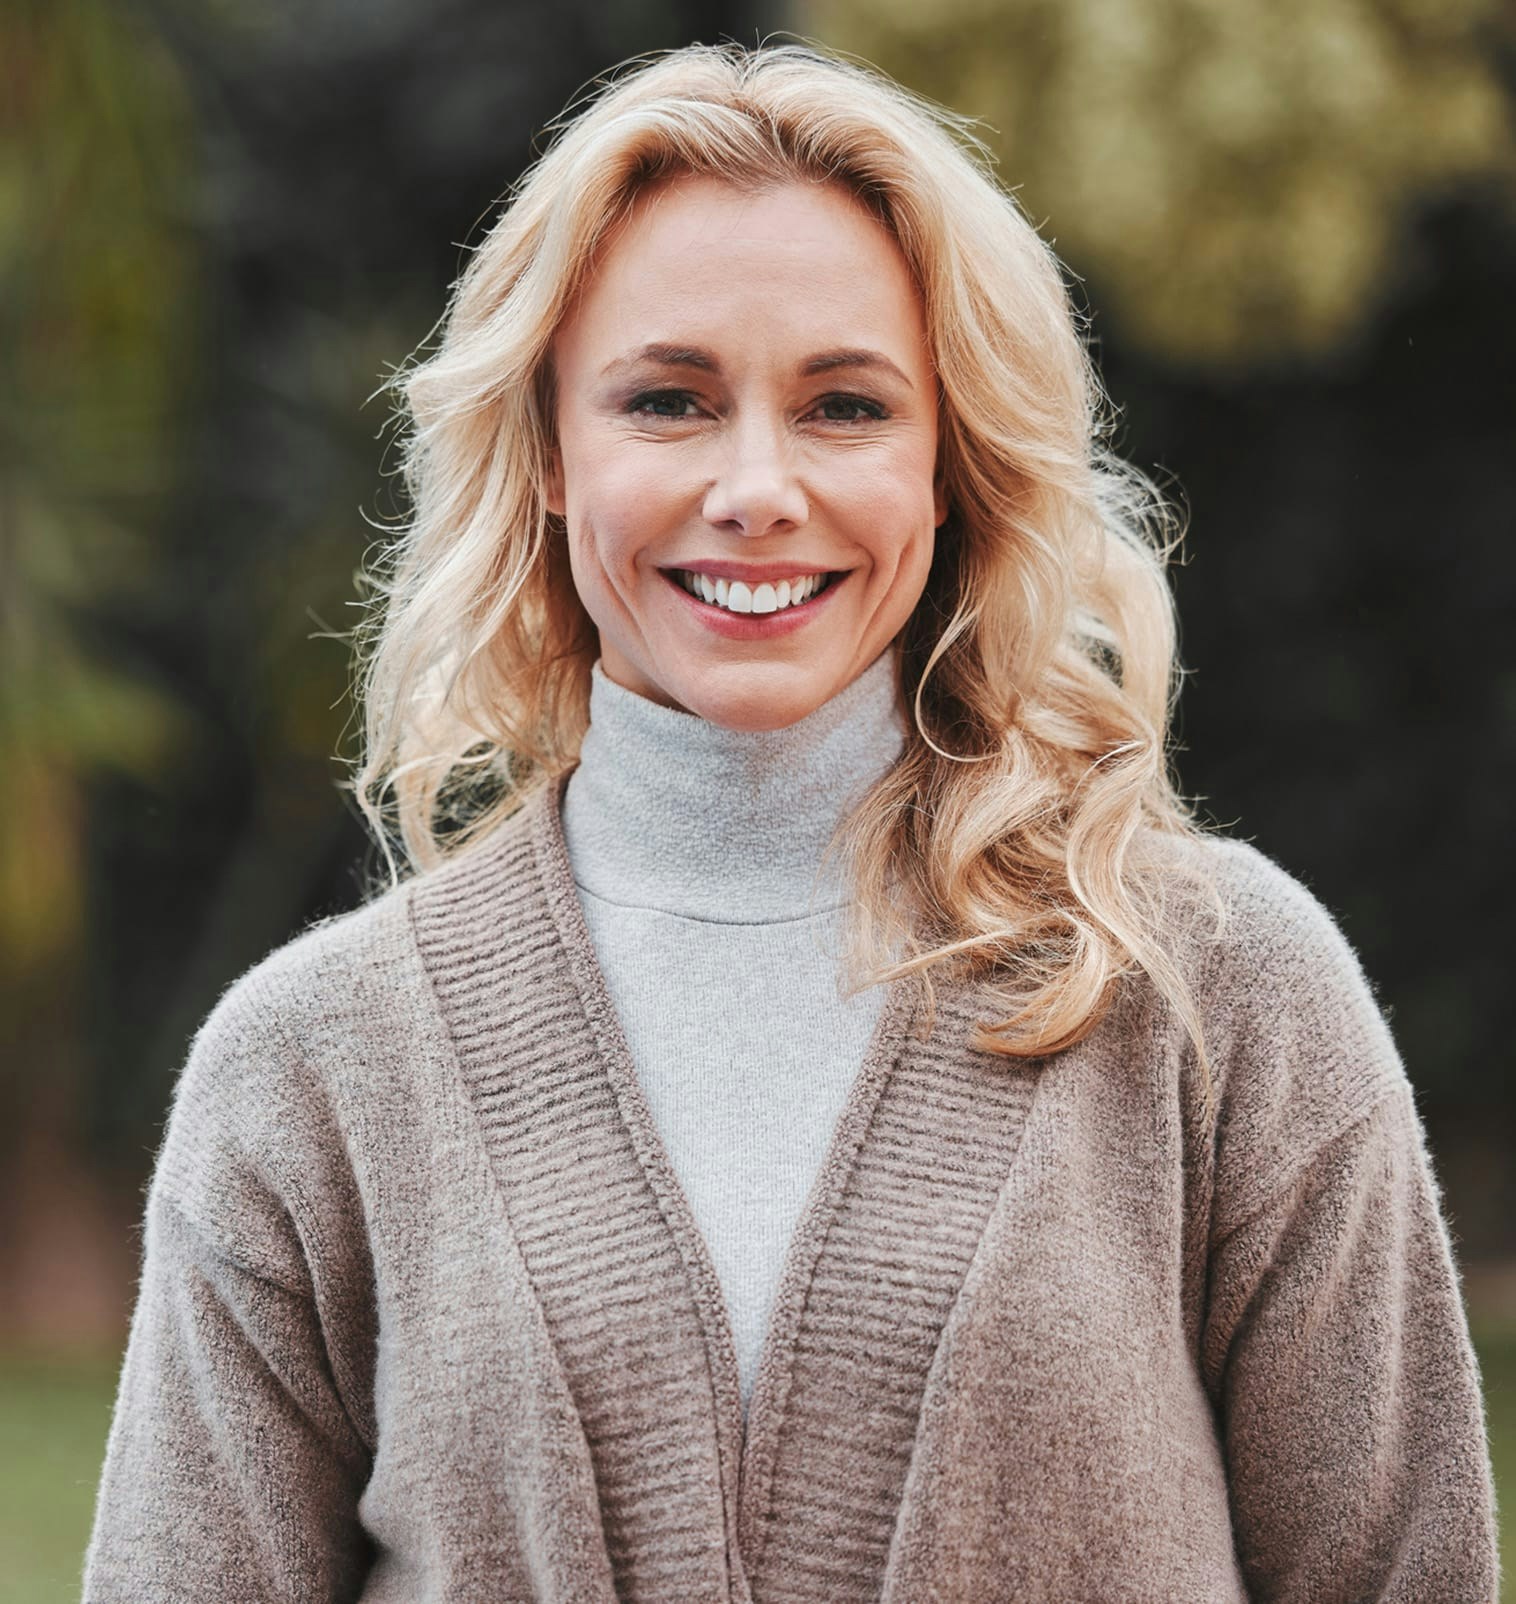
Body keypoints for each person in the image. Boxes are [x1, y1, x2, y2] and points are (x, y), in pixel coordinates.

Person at [82, 41, 1499, 1604]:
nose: (757, 487)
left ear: (949, 462)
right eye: (670, 400)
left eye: (844, 405)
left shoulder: (1220, 991)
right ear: (552, 454)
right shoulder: (310, 1065)